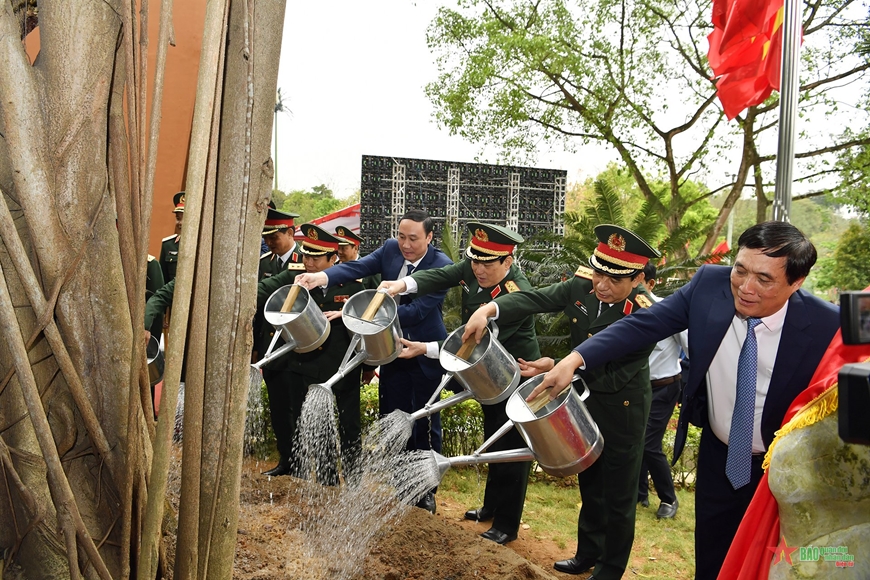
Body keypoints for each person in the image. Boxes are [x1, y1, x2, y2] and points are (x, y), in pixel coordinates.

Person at [517, 221, 840, 579]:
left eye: (764, 280)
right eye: (740, 270)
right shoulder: (709, 286)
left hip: (780, 469)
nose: (746, 288)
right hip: (720, 456)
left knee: (775, 561)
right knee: (712, 552)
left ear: (797, 282)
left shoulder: (828, 327)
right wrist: (574, 359)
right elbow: (642, 325)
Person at [463, 224, 659, 580]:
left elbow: (615, 371)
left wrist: (561, 366)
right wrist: (489, 310)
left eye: (614, 280)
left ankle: (610, 569)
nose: (601, 285)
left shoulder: (645, 313)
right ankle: (587, 553)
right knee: (590, 480)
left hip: (622, 410)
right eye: (599, 273)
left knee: (618, 494)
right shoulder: (582, 286)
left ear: (637, 279)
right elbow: (533, 299)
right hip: (584, 402)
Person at [378, 222, 539, 544]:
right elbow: (438, 276)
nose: (477, 269)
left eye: (487, 264)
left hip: (516, 377)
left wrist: (425, 348)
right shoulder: (475, 266)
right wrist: (402, 285)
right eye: (475, 261)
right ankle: (491, 507)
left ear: (507, 262)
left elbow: (473, 343)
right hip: (489, 377)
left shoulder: (515, 294)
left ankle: (507, 525)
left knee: (509, 451)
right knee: (493, 442)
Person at [295, 209, 452, 513]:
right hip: (388, 348)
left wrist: (355, 312)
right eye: (402, 236)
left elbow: (417, 311)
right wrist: (322, 276)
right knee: (392, 414)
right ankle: (399, 482)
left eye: (413, 239)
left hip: (422, 349)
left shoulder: (441, 266)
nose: (405, 245)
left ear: (430, 238)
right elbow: (357, 267)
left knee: (423, 422)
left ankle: (425, 489)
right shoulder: (391, 249)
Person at [257, 224, 367, 484]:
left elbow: (364, 326)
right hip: (304, 365)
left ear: (333, 258)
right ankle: (326, 480)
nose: (309, 263)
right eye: (306, 256)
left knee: (348, 425)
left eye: (316, 258)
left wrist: (368, 365)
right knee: (316, 425)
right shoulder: (296, 281)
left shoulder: (354, 284)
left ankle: (353, 482)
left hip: (342, 368)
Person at [255, 207, 304, 477]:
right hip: (268, 346)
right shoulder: (264, 261)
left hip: (297, 347)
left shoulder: (302, 260)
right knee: (277, 408)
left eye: (276, 236)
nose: (271, 241)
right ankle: (287, 460)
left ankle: (303, 463)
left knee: (296, 408)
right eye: (268, 237)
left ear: (290, 232)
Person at [636, 262, 688, 519]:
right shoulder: (625, 311)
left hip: (663, 387)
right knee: (636, 439)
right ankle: (639, 494)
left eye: (637, 279)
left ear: (650, 283)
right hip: (635, 388)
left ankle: (668, 498)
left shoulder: (668, 311)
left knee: (648, 443)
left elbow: (691, 347)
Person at [334, 225, 381, 290]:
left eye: (343, 249)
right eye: (338, 248)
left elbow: (378, 294)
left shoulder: (369, 268)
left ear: (355, 248)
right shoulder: (334, 268)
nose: (339, 252)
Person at [159, 191, 185, 285]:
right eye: (178, 218)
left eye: (185, 218)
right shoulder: (168, 245)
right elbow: (163, 281)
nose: (180, 223)